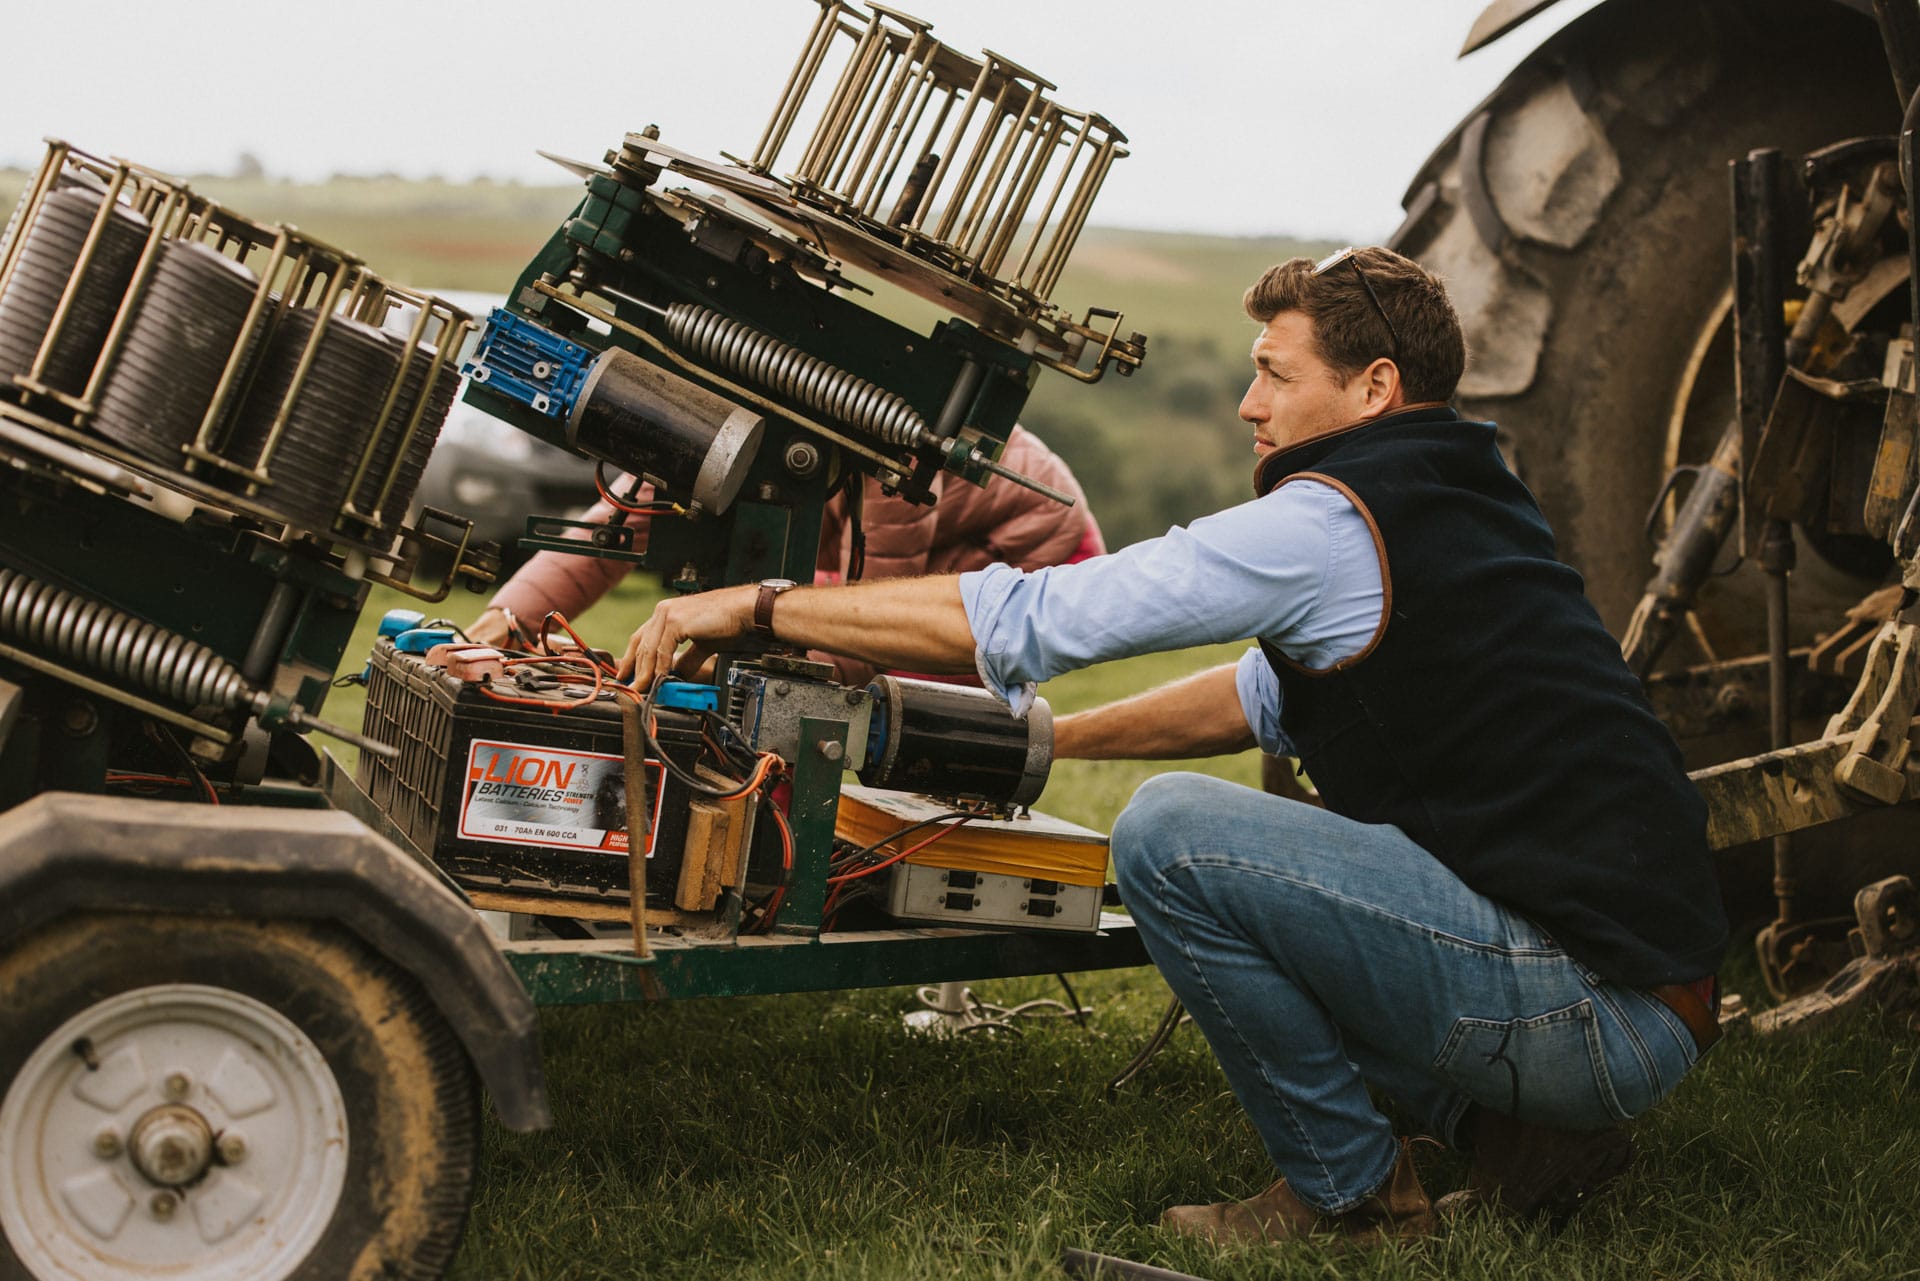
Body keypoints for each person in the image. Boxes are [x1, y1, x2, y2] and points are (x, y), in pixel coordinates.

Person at [615, 247, 1729, 1249]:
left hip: (1592, 1015)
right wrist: (1037, 750)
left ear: (1373, 388)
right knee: (1245, 852)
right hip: (1645, 1000)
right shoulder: (1455, 495)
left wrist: (761, 605)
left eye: (1277, 374)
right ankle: (1523, 1139)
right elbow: (1259, 696)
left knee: (1172, 838)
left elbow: (1032, 622)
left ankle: (1350, 1199)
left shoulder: (1329, 522)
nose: (1249, 404)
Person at [468, 424, 1103, 685]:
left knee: (880, 702)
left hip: (1039, 564)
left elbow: (868, 635)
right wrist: (507, 621)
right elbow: (625, 520)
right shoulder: (726, 431)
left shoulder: (896, 469)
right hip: (891, 556)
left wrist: (709, 677)